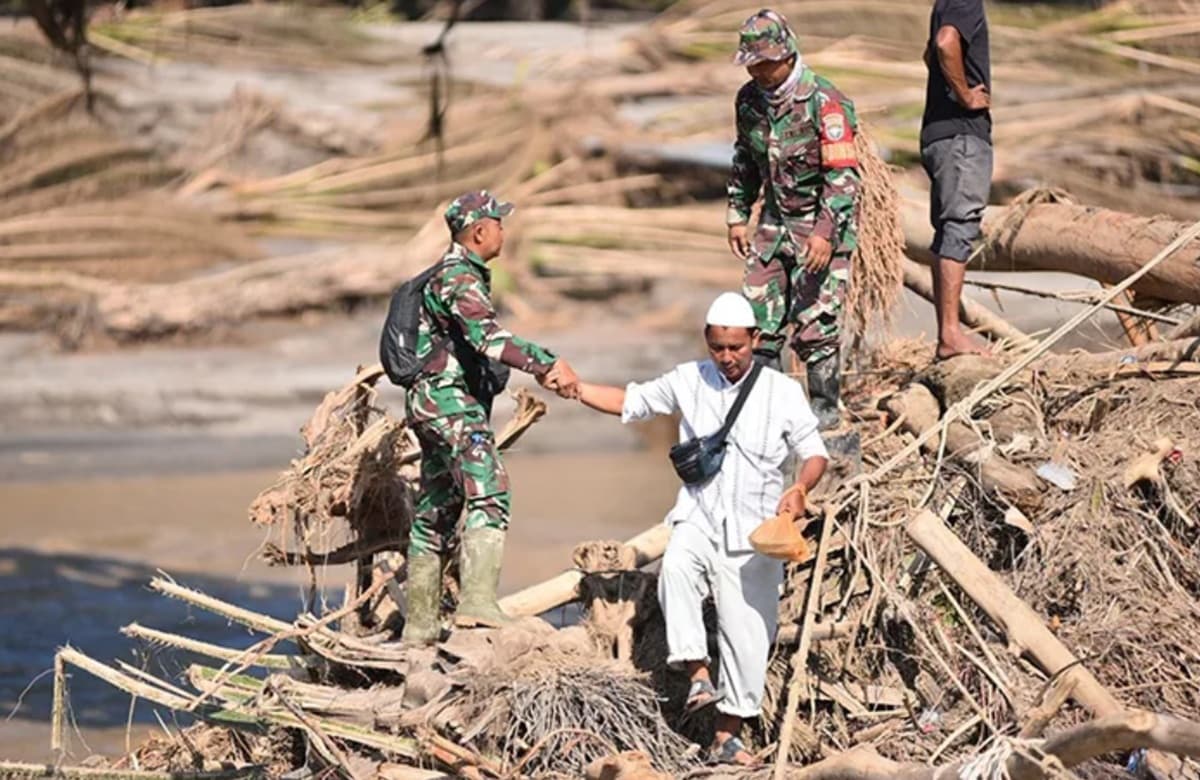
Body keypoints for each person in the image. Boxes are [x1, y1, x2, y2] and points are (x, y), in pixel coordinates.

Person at [567, 292, 828, 765]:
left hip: (755, 532)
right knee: (678, 571)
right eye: (717, 348)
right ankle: (698, 673)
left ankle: (727, 738)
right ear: (707, 342)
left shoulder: (782, 393)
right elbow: (633, 400)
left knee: (749, 634)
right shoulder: (689, 380)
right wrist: (577, 388)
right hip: (699, 514)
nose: (727, 358)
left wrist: (799, 491)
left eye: (736, 348)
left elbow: (814, 453)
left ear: (756, 339)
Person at [401, 190, 579, 646]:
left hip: (430, 404)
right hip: (449, 402)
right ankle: (477, 606)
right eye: (498, 223)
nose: (504, 229)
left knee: (436, 509)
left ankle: (419, 627)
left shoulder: (450, 273)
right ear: (480, 231)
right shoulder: (459, 277)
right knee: (490, 488)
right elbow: (488, 338)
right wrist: (545, 364)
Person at [726, 8, 861, 434]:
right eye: (753, 63)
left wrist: (825, 235)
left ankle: (824, 419)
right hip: (772, 224)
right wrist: (737, 213)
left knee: (816, 326)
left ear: (787, 55)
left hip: (817, 224)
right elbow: (745, 159)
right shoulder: (749, 101)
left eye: (766, 61)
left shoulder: (825, 101)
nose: (760, 71)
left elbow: (842, 178)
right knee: (760, 323)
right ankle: (766, 416)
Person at [921, 0, 993, 359]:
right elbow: (945, 43)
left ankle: (946, 334)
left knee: (947, 230)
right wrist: (965, 96)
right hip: (961, 136)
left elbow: (929, 54)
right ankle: (950, 334)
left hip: (937, 135)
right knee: (959, 226)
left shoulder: (944, 3)